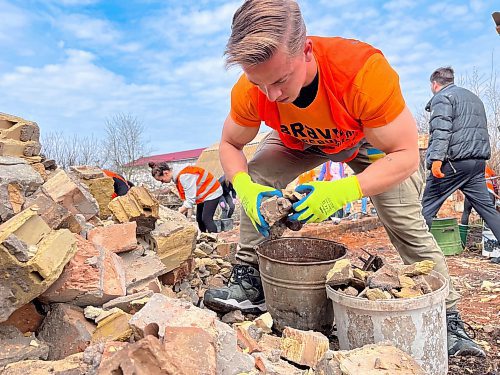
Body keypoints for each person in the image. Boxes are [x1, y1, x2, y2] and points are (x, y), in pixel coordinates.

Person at [203, 0, 484, 357]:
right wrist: (245, 190)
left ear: (305, 51)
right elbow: (230, 143)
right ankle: (248, 278)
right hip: (299, 140)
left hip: (367, 140)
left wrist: (341, 192)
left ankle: (448, 317)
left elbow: (406, 155)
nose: (271, 95)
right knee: (259, 172)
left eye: (280, 80)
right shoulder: (252, 88)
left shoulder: (362, 72)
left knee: (403, 220)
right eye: (260, 84)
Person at [421, 67, 500, 246]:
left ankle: (416, 253)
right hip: (477, 163)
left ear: (434, 84)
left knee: (427, 207)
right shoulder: (474, 99)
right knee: (487, 210)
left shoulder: (442, 98)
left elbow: (441, 131)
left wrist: (436, 160)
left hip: (454, 162)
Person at [149, 162, 222, 233]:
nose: (162, 182)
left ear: (166, 173)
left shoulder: (184, 176)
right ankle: (205, 237)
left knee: (206, 219)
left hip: (213, 191)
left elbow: (190, 200)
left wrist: (177, 214)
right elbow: (187, 198)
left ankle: (215, 239)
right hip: (204, 193)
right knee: (199, 219)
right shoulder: (178, 176)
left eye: (161, 180)